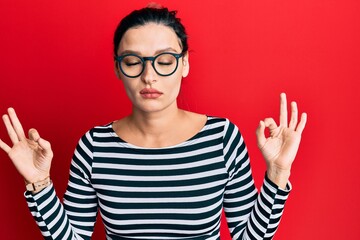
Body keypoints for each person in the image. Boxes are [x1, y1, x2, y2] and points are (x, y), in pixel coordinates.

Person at [0, 5, 307, 240]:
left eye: (164, 61)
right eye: (133, 62)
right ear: (118, 69)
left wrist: (279, 172)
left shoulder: (222, 138)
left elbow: (248, 236)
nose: (149, 76)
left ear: (184, 64)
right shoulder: (94, 146)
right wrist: (39, 184)